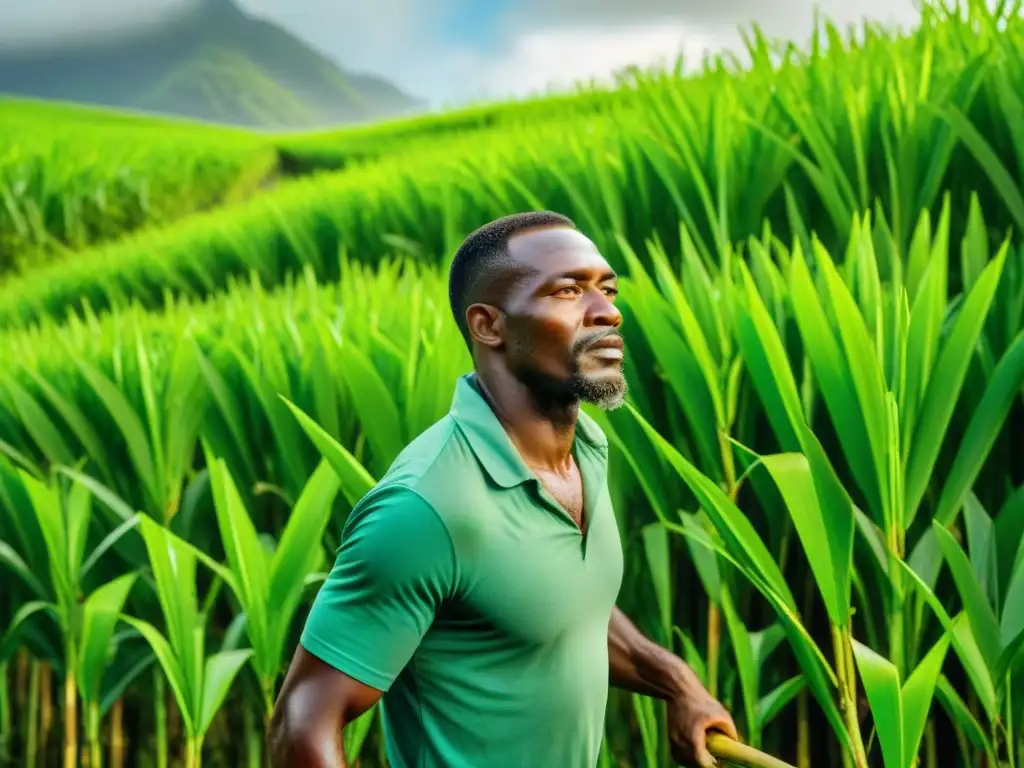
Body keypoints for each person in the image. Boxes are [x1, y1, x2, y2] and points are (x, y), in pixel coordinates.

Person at [268, 211, 738, 767]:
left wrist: (677, 682)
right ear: (489, 325)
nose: (608, 311)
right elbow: (301, 724)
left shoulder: (586, 451)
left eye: (607, 289)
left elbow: (551, 602)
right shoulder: (427, 507)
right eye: (568, 291)